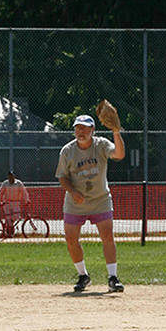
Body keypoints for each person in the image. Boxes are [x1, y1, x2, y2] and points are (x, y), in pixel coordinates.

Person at [56, 112, 125, 293]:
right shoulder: (67, 151)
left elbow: (119, 154)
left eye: (85, 128)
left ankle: (112, 277)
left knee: (108, 237)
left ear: (92, 130)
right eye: (78, 128)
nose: (81, 131)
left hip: (100, 199)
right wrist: (72, 191)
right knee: (71, 239)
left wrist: (116, 132)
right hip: (75, 201)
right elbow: (62, 177)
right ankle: (83, 276)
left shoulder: (100, 144)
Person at [0, 171, 30, 236]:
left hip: (16, 202)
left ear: (14, 176)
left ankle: (9, 229)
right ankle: (9, 232)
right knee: (8, 218)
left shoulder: (19, 183)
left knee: (16, 216)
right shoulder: (5, 184)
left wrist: (27, 200)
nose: (10, 178)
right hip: (7, 202)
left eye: (12, 176)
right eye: (9, 176)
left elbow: (24, 192)